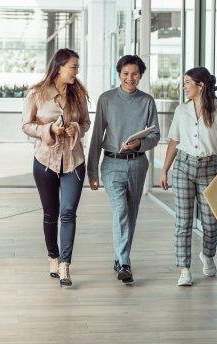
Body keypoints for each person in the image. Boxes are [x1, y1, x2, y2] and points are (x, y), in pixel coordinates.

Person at [87, 55, 160, 284]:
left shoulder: (147, 101)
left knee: (131, 214)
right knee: (121, 211)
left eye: (135, 74)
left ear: (141, 75)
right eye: (126, 73)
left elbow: (155, 135)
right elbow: (97, 135)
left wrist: (140, 143)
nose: (130, 78)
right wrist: (92, 172)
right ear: (118, 74)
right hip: (112, 164)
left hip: (138, 163)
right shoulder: (106, 99)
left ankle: (119, 257)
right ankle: (125, 262)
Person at [22, 48, 91, 287]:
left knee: (68, 212)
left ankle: (64, 265)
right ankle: (53, 256)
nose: (76, 71)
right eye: (73, 66)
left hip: (74, 161)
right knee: (51, 214)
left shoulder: (78, 94)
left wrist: (76, 129)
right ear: (59, 67)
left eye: (77, 67)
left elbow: (86, 122)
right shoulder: (37, 94)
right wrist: (50, 129)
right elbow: (26, 125)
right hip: (45, 161)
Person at [159, 67, 217, 286]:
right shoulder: (181, 110)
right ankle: (184, 269)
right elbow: (174, 141)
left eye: (187, 83)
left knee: (211, 223)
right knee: (183, 222)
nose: (184, 87)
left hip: (210, 169)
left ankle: (208, 255)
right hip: (183, 166)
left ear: (200, 85)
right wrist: (165, 169)